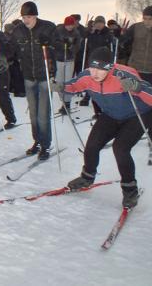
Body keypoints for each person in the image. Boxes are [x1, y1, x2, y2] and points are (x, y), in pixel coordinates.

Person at [56, 47, 150, 208]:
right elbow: (74, 86)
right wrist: (61, 86)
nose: (95, 73)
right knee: (92, 145)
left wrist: (137, 87)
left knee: (120, 149)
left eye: (101, 69)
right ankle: (87, 176)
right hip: (111, 114)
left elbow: (148, 92)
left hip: (137, 115)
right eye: (93, 67)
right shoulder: (87, 76)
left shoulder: (123, 75)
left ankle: (130, 190)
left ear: (110, 67)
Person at [10, 1, 57, 159]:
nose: (26, 20)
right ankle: (37, 141)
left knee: (43, 114)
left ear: (35, 15)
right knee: (33, 114)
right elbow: (11, 49)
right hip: (29, 77)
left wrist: (49, 44)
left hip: (44, 76)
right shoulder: (18, 31)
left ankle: (45, 145)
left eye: (29, 17)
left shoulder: (48, 27)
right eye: (23, 17)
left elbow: (59, 47)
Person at [79, 16, 113, 109]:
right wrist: (89, 32)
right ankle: (87, 96)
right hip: (92, 59)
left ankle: (100, 99)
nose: (99, 25)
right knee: (90, 78)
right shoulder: (91, 33)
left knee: (101, 80)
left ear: (104, 24)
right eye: (97, 23)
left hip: (103, 61)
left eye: (101, 23)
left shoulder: (107, 33)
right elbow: (83, 41)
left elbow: (112, 44)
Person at [53, 15, 82, 114]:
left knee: (68, 81)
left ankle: (67, 103)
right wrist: (63, 45)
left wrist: (71, 47)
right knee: (60, 82)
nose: (70, 27)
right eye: (68, 25)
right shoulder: (58, 31)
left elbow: (78, 46)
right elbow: (54, 43)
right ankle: (63, 101)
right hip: (60, 59)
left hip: (69, 60)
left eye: (71, 25)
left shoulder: (76, 33)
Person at [121, 6, 152, 84]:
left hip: (150, 71)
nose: (147, 22)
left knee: (149, 95)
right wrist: (121, 38)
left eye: (150, 19)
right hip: (134, 69)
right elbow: (123, 43)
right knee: (130, 93)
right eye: (145, 18)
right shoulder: (135, 27)